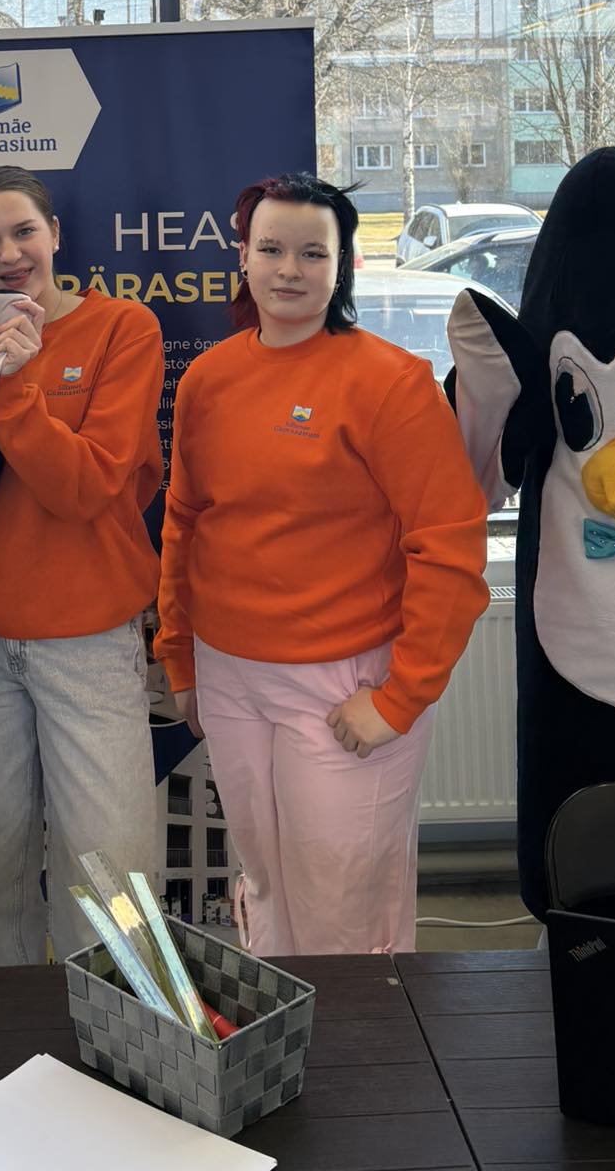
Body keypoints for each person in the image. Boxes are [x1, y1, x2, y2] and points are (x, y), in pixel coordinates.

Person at [156, 171, 489, 956]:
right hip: (228, 675)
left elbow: (450, 546)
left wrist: (400, 699)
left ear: (343, 266)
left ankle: (361, 1039)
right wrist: (181, 658)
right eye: (271, 249)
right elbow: (185, 522)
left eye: (313, 253)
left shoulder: (390, 383)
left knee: (343, 907)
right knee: (265, 883)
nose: (289, 270)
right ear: (243, 255)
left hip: (345, 683)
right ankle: (282, 1031)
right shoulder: (209, 378)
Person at [0, 164, 165, 964]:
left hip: (89, 641)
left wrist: (16, 382)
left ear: (55, 234)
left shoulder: (123, 329)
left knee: (112, 868)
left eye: (24, 231)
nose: (8, 254)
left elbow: (86, 487)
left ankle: (120, 1025)